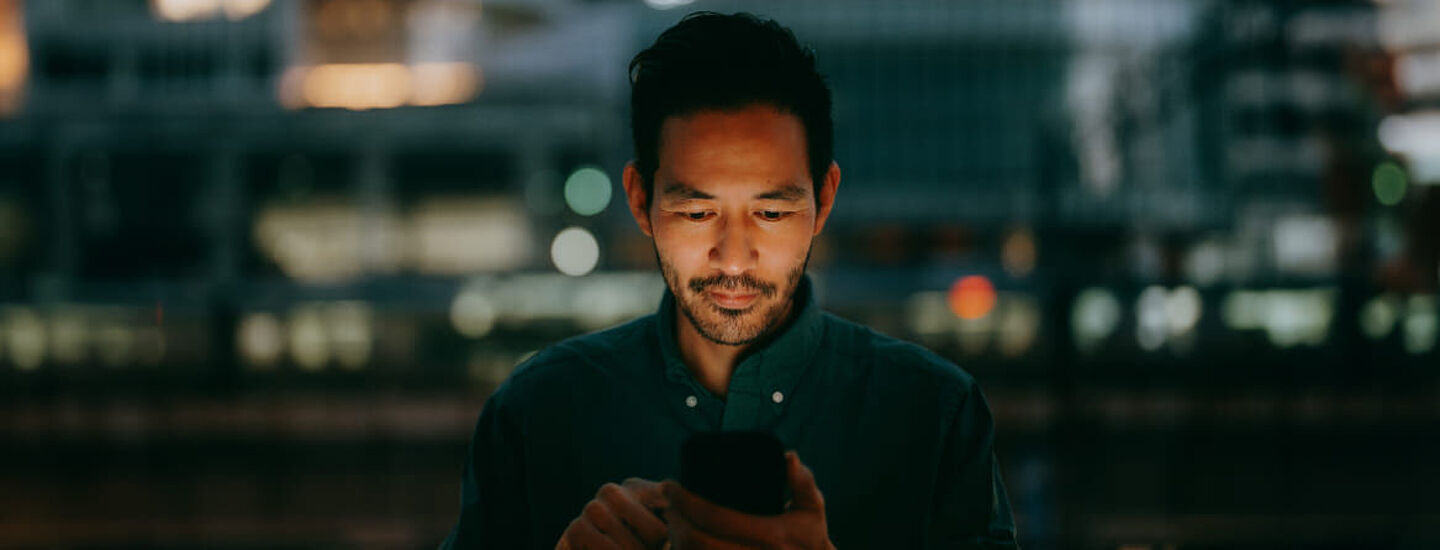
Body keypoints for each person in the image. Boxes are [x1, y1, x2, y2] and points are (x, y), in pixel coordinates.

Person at [441, 12, 1018, 549]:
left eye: (770, 212)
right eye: (697, 213)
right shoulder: (536, 412)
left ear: (824, 200)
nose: (735, 257)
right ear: (640, 201)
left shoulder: (933, 415)